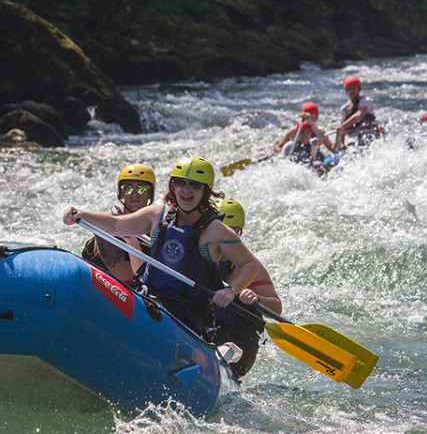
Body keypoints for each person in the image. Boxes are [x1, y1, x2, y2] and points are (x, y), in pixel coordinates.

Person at [63, 156, 262, 338]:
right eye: (180, 183)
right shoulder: (157, 215)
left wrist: (232, 291)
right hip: (149, 299)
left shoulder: (216, 231)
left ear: (205, 190)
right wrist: (81, 214)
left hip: (189, 315)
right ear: (172, 187)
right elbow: (116, 224)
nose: (186, 190)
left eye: (194, 185)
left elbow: (249, 264)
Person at [212, 198, 282, 378]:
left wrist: (257, 299)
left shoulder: (251, 267)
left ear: (238, 234)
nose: (223, 240)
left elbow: (276, 307)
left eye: (231, 232)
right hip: (208, 330)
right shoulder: (200, 257)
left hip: (239, 342)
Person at [81, 163, 156, 284]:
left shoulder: (157, 225)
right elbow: (120, 273)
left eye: (141, 189)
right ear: (121, 194)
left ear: (149, 194)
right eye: (128, 189)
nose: (135, 194)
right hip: (109, 288)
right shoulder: (107, 225)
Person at [274, 102, 334, 167]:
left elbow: (332, 148)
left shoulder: (319, 133)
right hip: (297, 155)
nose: (309, 120)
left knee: (327, 165)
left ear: (316, 118)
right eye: (307, 118)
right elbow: (278, 147)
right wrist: (285, 154)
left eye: (312, 118)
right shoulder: (294, 132)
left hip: (314, 156)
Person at [333, 76, 379, 151]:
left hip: (369, 134)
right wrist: (341, 144)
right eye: (349, 89)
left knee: (366, 143)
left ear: (358, 89)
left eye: (354, 88)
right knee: (351, 148)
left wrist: (342, 126)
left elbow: (358, 115)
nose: (352, 91)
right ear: (346, 91)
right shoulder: (344, 108)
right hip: (354, 137)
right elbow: (342, 131)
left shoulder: (365, 101)